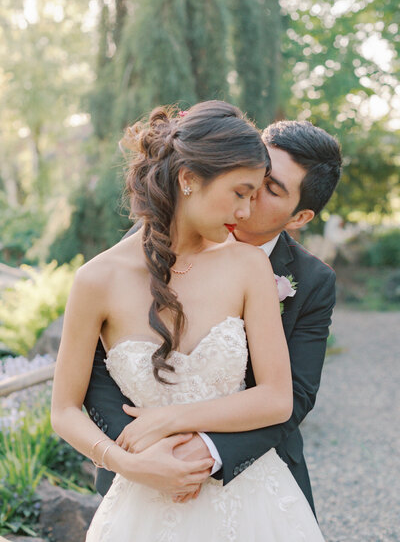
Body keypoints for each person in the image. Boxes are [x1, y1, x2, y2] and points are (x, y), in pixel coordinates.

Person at [52, 100, 326, 541]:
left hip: (250, 500)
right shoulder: (96, 279)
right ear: (188, 178)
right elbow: (64, 409)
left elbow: (278, 398)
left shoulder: (248, 266)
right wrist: (128, 463)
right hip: (141, 498)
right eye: (240, 193)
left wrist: (169, 420)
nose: (245, 211)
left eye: (256, 196)